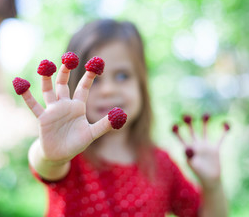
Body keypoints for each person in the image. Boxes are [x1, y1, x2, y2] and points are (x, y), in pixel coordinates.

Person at [19, 19, 229, 217]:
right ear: (74, 86)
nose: (109, 90)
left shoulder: (161, 165)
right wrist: (49, 154)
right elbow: (47, 163)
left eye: (122, 76)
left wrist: (213, 185)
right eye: (95, 79)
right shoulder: (71, 155)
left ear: (141, 84)